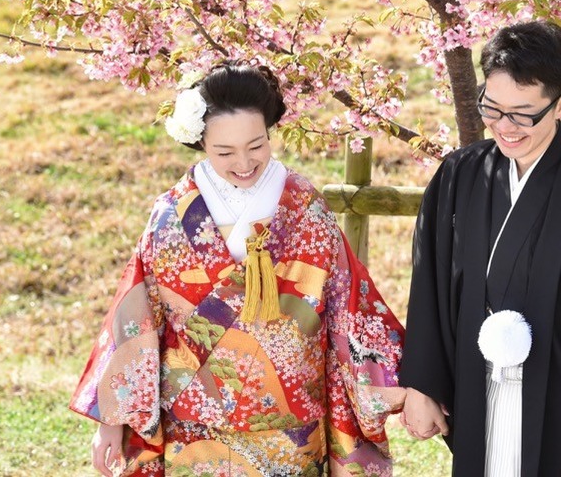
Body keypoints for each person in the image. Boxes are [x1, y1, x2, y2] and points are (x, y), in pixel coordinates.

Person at [70, 63, 405, 477]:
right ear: (200, 143)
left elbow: (349, 309)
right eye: (224, 152)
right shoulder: (172, 216)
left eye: (257, 145)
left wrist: (408, 382)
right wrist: (112, 420)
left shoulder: (304, 208)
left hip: (291, 429)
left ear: (270, 133)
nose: (244, 163)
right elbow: (136, 321)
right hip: (193, 428)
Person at [399, 21, 561, 477]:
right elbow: (430, 285)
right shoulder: (460, 176)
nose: (505, 127)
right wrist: (422, 385)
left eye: (523, 114)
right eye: (492, 109)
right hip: (483, 392)